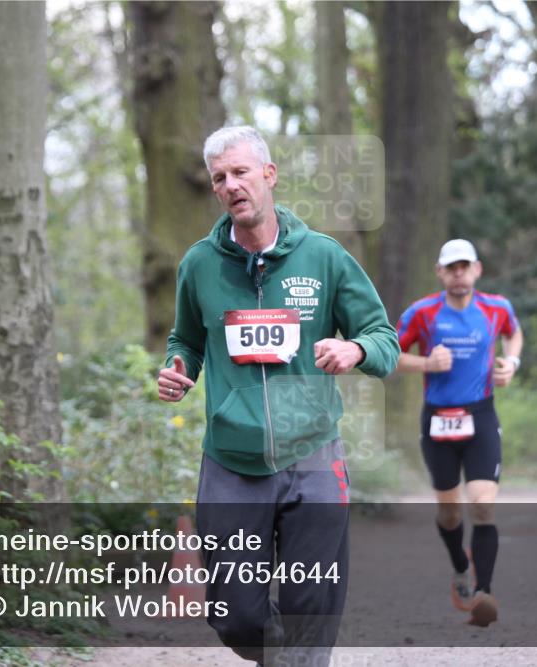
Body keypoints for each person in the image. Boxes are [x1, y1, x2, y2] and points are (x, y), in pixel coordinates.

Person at [157, 126, 400, 664]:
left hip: (312, 453)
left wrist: (355, 350)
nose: (231, 185)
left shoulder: (324, 257)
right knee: (235, 615)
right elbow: (186, 339)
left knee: (310, 607)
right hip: (231, 461)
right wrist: (178, 367)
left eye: (241, 172)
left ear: (268, 175)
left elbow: (385, 338)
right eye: (220, 178)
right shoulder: (199, 265)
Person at [394, 239, 523, 628]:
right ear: (440, 272)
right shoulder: (422, 313)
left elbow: (513, 334)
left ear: (477, 270)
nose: (458, 273)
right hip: (438, 420)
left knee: (483, 505)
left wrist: (511, 362)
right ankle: (460, 568)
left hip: (481, 416)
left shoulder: (496, 308)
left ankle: (484, 594)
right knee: (450, 513)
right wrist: (426, 362)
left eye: (465, 266)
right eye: (451, 267)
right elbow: (389, 354)